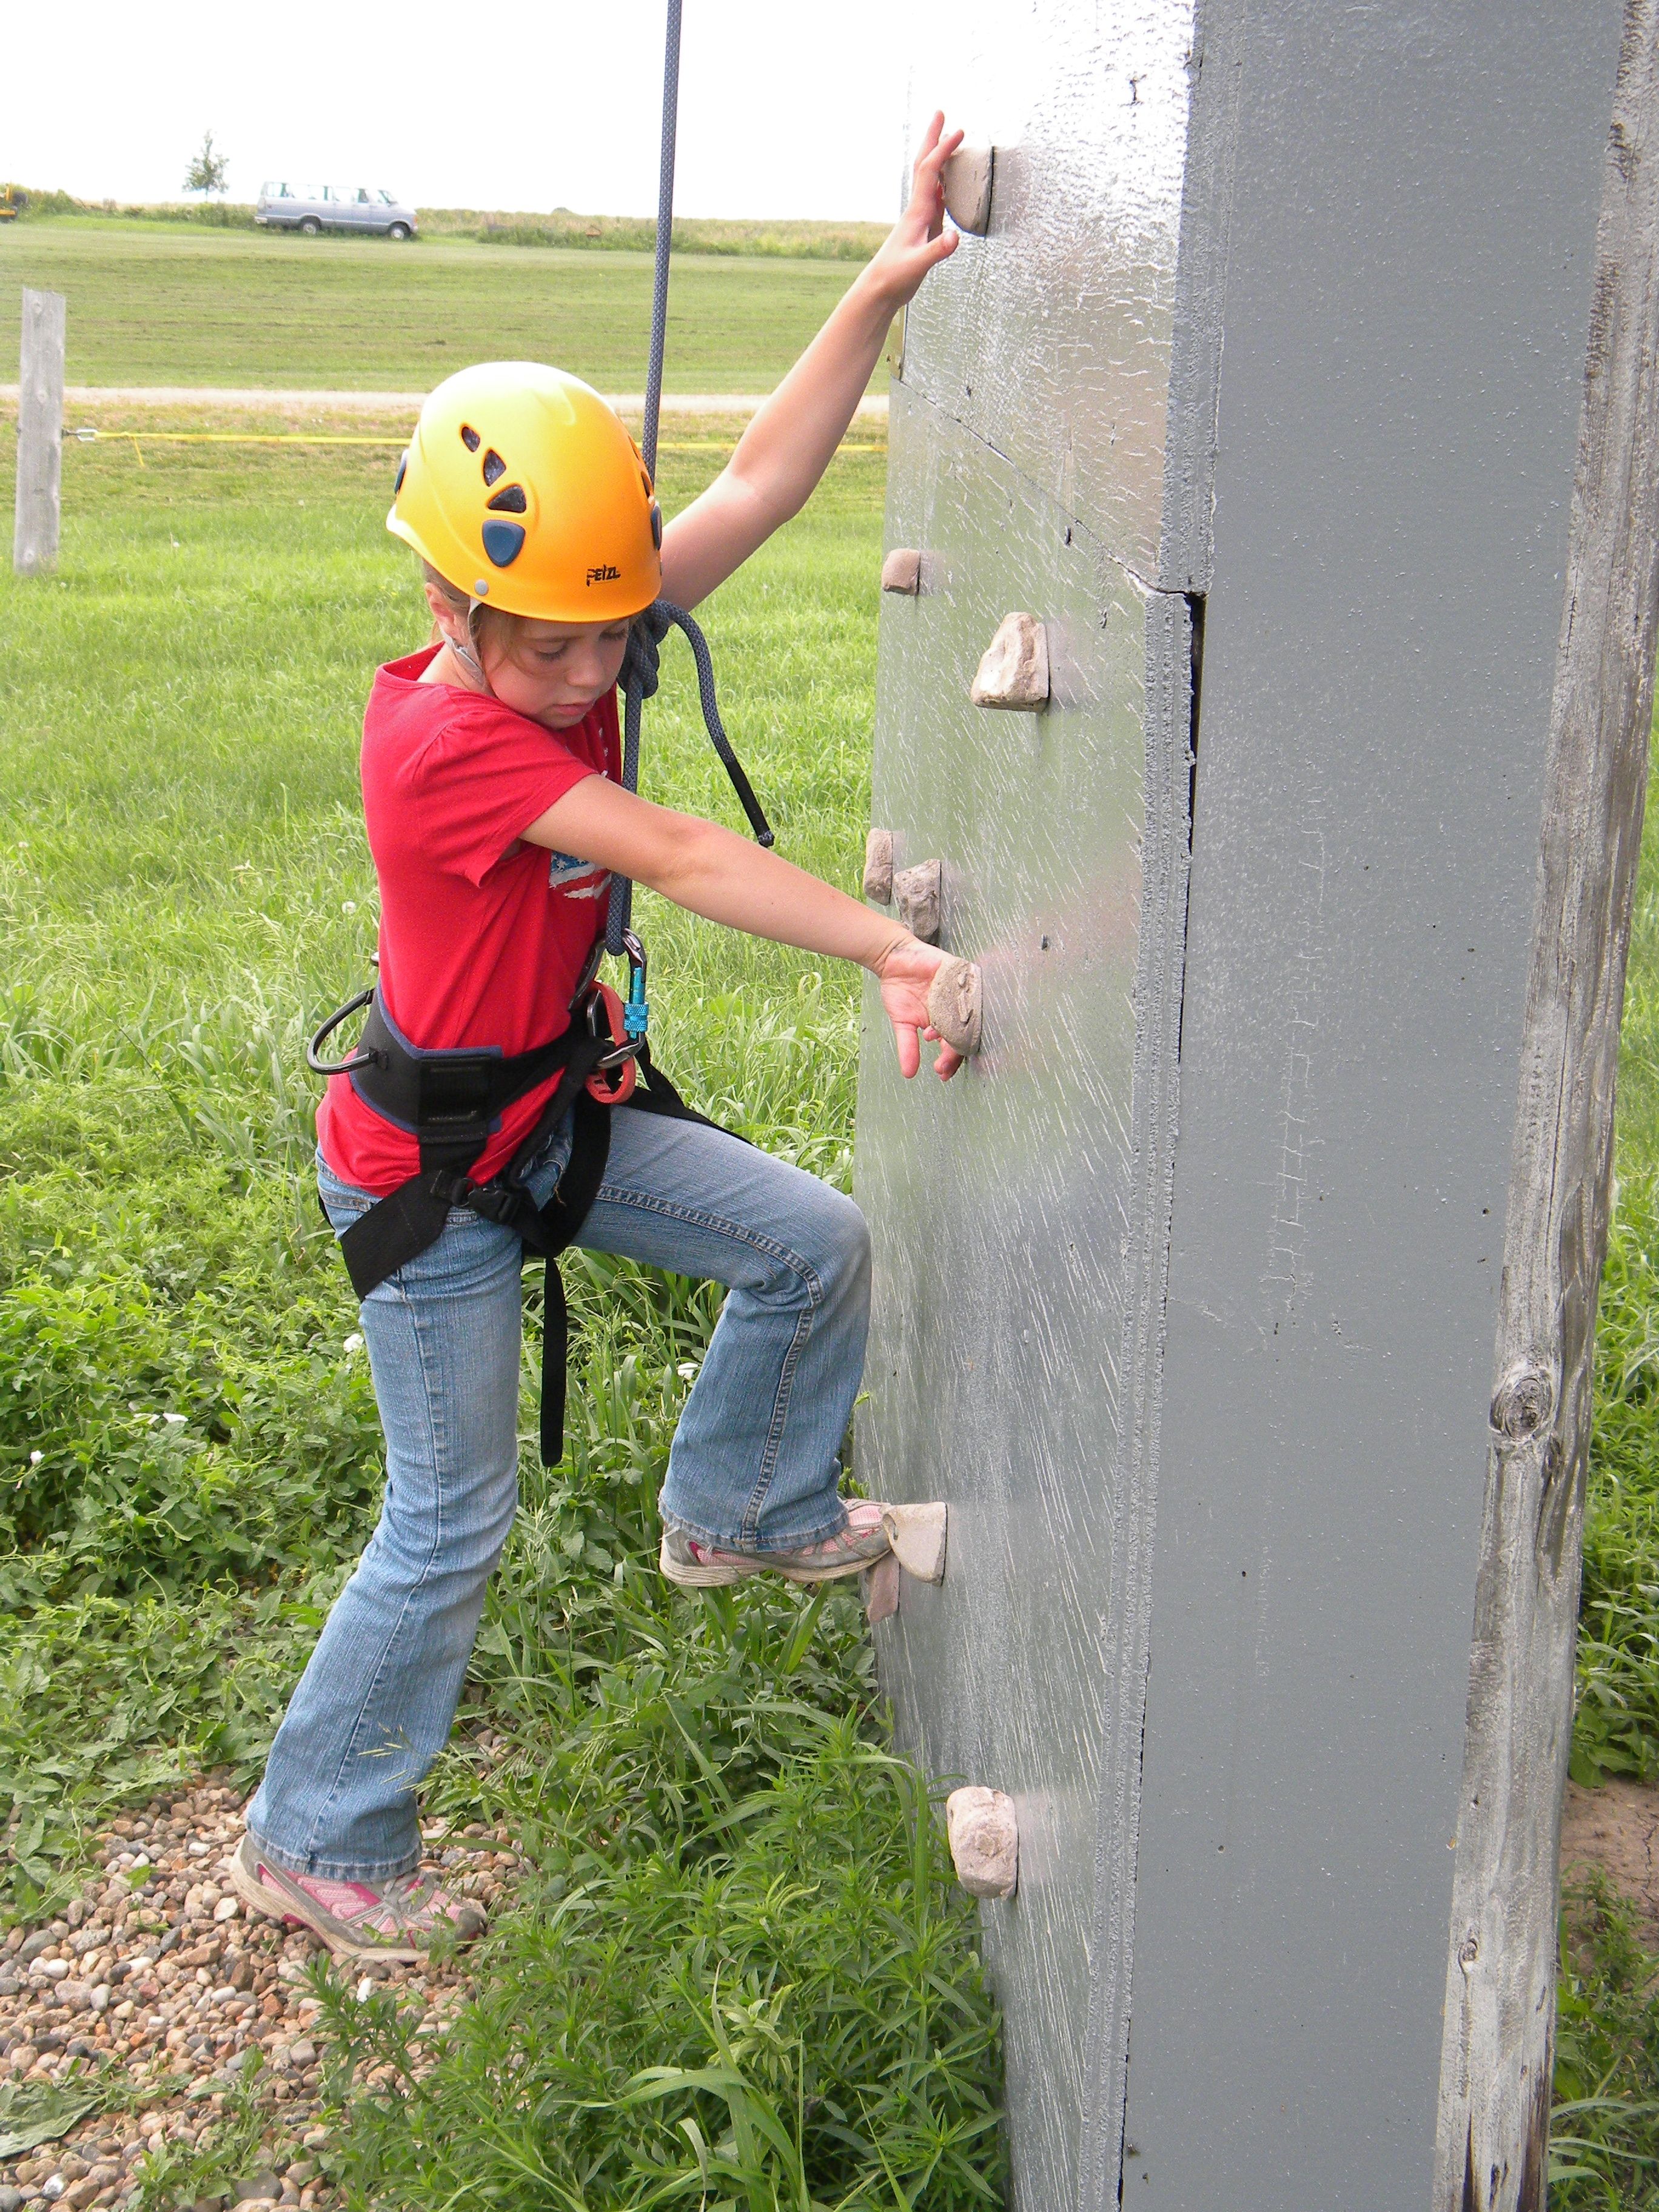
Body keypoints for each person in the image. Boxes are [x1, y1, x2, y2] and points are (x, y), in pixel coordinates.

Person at [232, 118, 970, 1962]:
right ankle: (316, 1834)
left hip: (551, 1118)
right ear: (443, 606)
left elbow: (764, 484)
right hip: (429, 1185)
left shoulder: (583, 622)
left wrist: (878, 284)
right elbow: (686, 854)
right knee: (451, 1521)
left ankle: (738, 1511)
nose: (594, 675)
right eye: (550, 644)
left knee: (812, 1246)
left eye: (611, 633)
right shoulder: (449, 744)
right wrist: (884, 946)